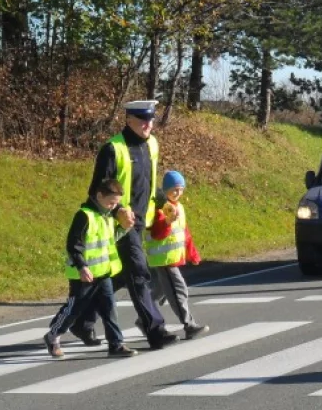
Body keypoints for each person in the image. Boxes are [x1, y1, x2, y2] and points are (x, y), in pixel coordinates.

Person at [75, 100, 178, 351]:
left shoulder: (152, 144)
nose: (148, 125)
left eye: (151, 120)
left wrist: (164, 204)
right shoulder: (113, 149)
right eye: (143, 120)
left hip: (141, 222)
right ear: (129, 120)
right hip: (116, 225)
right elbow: (96, 191)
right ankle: (155, 330)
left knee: (118, 276)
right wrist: (119, 210)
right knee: (140, 273)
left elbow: (149, 184)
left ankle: (82, 319)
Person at [43, 178, 138, 359]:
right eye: (111, 202)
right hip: (83, 275)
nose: (113, 207)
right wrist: (82, 266)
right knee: (74, 309)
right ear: (99, 195)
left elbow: (108, 241)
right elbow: (73, 244)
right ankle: (53, 335)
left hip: (103, 273)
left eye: (116, 203)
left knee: (110, 308)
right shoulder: (84, 215)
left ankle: (116, 344)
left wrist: (124, 229)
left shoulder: (107, 216)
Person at [145, 171, 209, 339]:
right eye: (174, 190)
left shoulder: (178, 207)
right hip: (164, 260)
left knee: (159, 292)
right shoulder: (161, 208)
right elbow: (156, 233)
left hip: (173, 258)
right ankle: (189, 325)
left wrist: (192, 253)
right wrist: (167, 222)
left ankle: (143, 317)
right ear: (165, 190)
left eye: (180, 190)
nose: (177, 193)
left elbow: (184, 233)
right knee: (178, 290)